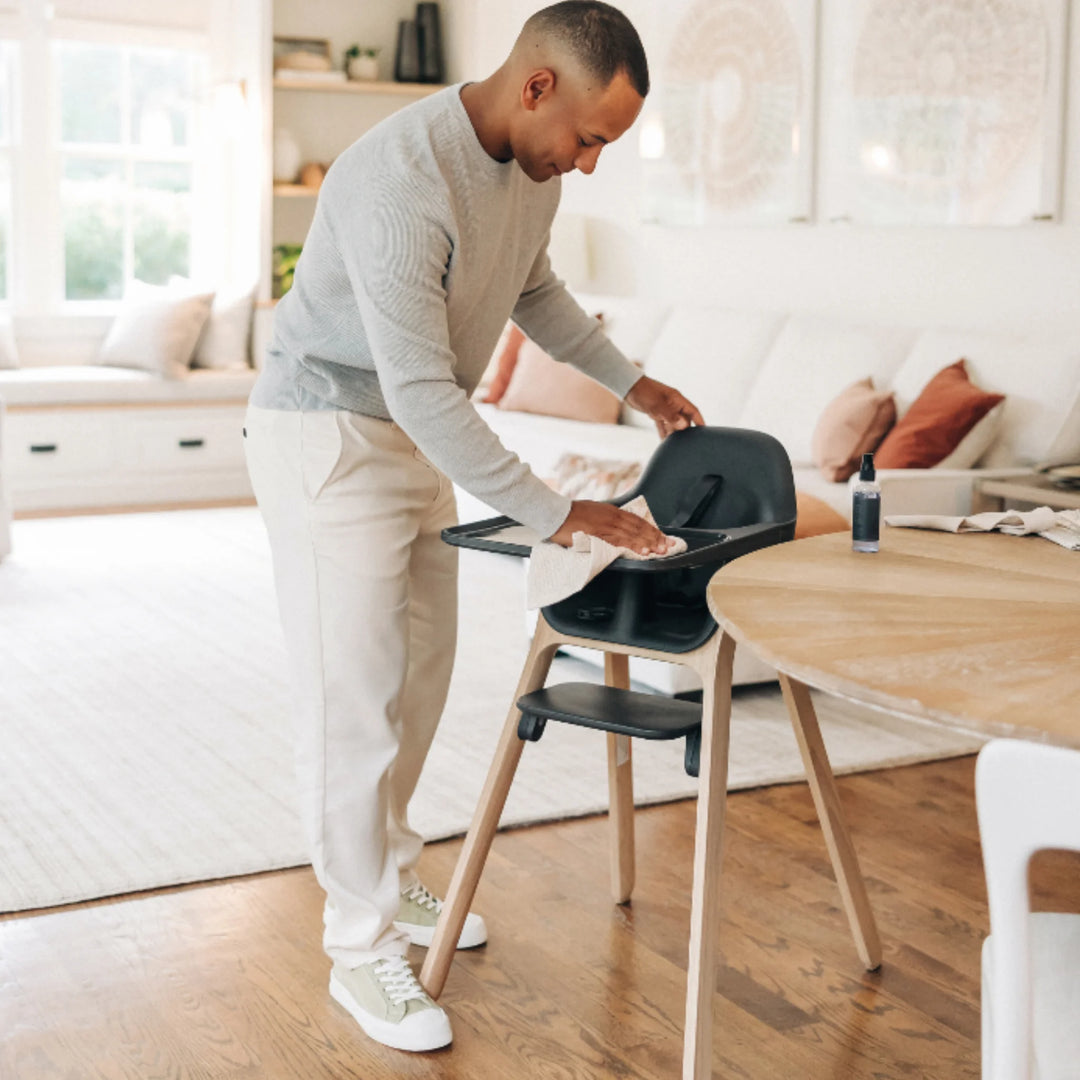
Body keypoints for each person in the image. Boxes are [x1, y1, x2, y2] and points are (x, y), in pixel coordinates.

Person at [243, 0, 703, 1054]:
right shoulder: (402, 180)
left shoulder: (527, 172)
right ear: (536, 86)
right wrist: (556, 509)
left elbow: (533, 289)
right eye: (590, 139)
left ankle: (388, 875)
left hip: (412, 433)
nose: (589, 166)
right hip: (328, 437)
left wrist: (633, 382)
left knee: (421, 678)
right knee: (350, 698)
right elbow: (416, 385)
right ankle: (358, 950)